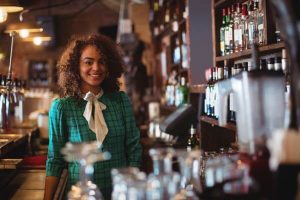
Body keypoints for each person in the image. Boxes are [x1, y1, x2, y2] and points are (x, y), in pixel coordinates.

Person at [44, 34, 142, 200]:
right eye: (88, 62)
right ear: (75, 66)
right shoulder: (62, 108)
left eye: (102, 61)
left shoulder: (120, 100)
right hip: (80, 194)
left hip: (118, 193)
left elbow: (134, 149)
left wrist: (130, 189)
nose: (96, 68)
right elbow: (55, 160)